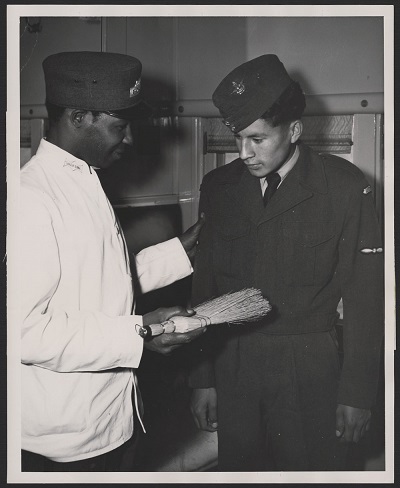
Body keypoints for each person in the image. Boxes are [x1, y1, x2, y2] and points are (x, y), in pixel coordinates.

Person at [189, 54, 384, 471]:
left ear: (294, 130)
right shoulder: (219, 188)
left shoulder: (344, 188)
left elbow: (368, 299)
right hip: (233, 361)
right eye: (238, 137)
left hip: (310, 364)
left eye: (257, 139)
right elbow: (204, 287)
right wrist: (204, 377)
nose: (243, 153)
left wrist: (357, 394)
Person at [20, 51, 206, 472]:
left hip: (112, 420)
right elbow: (24, 331)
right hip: (64, 442)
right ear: (78, 116)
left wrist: (182, 250)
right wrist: (140, 333)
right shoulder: (32, 198)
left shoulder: (85, 177)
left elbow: (96, 281)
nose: (130, 140)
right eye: (119, 126)